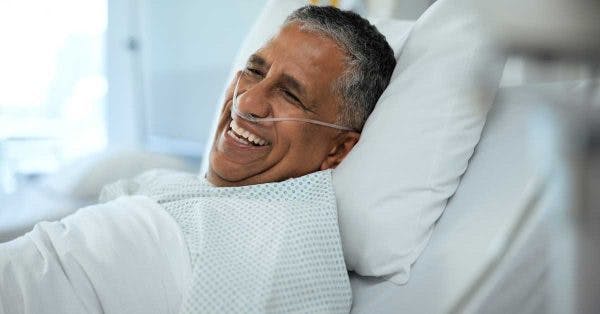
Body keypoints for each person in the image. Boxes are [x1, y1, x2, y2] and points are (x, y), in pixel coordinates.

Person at [0, 5, 396, 314]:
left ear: (339, 149)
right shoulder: (174, 187)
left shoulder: (282, 253)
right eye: (255, 71)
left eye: (290, 95)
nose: (247, 101)